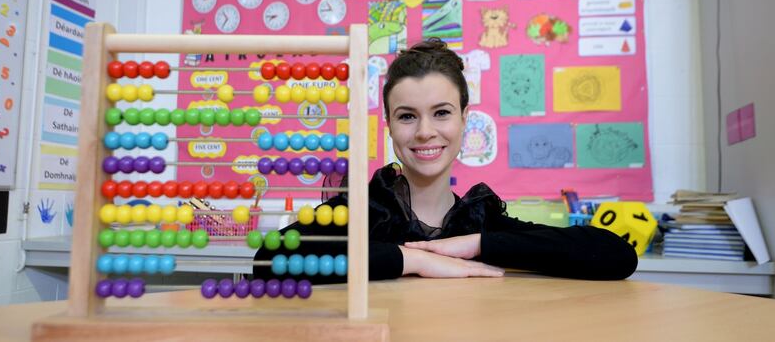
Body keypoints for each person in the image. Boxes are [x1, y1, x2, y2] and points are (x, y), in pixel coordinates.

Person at [254, 39, 638, 282]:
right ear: (388, 125)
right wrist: (411, 259)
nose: (424, 132)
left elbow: (616, 255)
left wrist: (475, 245)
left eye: (441, 113)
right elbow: (270, 259)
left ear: (463, 120)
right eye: (407, 116)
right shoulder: (355, 213)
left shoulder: (480, 220)